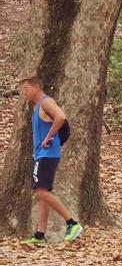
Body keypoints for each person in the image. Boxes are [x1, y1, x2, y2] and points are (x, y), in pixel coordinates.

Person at [19, 76, 83, 245]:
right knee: (42, 194)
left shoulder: (46, 102)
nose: (24, 92)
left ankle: (72, 223)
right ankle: (40, 235)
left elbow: (60, 117)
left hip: (47, 155)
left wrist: (49, 137)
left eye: (26, 88)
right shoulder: (36, 107)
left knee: (41, 192)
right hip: (41, 154)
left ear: (36, 87)